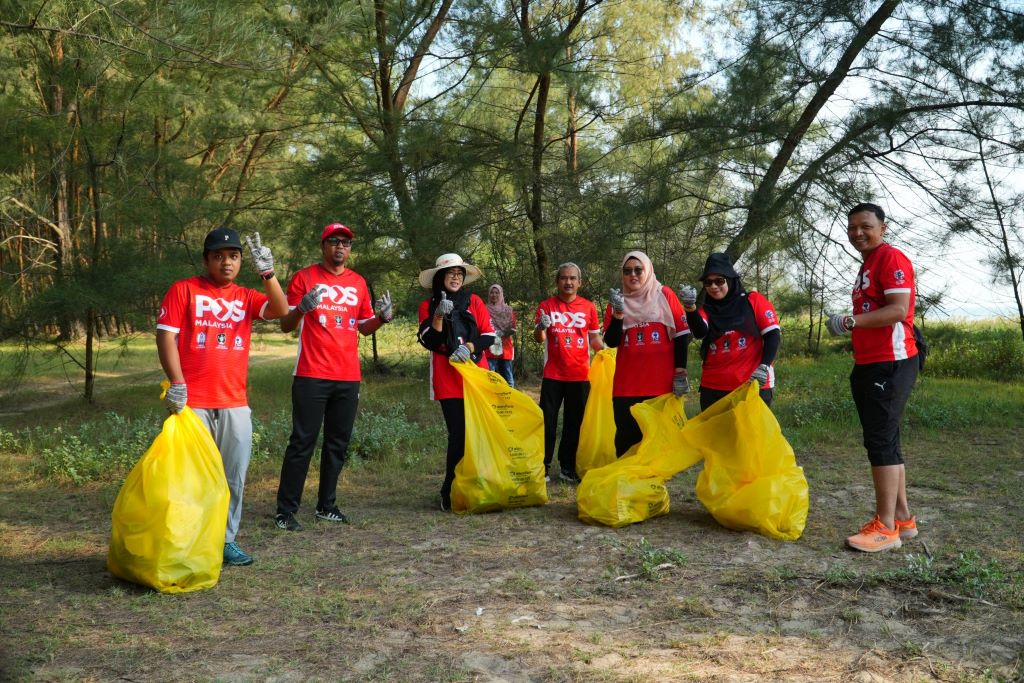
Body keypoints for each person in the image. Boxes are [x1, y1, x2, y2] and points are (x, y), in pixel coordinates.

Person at [157, 226, 288, 567]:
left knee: (233, 476)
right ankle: (187, 540)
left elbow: (281, 309)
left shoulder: (245, 296)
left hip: (234, 403)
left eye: (233, 256)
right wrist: (177, 383)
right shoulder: (184, 289)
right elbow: (165, 336)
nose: (226, 262)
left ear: (241, 261)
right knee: (190, 477)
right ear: (206, 260)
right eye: (218, 256)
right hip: (192, 403)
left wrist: (268, 273)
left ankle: (226, 540)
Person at [273, 223, 394, 532]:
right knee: (302, 442)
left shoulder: (358, 282)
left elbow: (364, 327)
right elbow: (286, 324)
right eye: (334, 241)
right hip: (311, 374)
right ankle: (285, 511)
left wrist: (382, 318)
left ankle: (326, 506)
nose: (341, 247)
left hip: (348, 376)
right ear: (323, 245)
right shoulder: (304, 277)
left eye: (346, 243)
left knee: (337, 443)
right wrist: (301, 308)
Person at [827, 202, 920, 553]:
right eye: (852, 227)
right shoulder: (869, 263)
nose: (858, 233)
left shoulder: (891, 258)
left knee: (881, 441)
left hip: (890, 362)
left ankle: (885, 528)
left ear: (883, 227)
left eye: (865, 226)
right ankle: (903, 520)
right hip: (871, 362)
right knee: (885, 439)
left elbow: (898, 309)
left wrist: (850, 321)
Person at [417, 253, 496, 511]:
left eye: (459, 273)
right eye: (450, 272)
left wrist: (470, 347)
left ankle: (479, 485)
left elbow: (489, 335)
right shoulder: (427, 306)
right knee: (459, 434)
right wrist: (438, 316)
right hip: (447, 377)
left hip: (476, 376)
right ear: (440, 277)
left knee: (480, 433)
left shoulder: (474, 301)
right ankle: (450, 491)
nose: (456, 277)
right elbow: (430, 340)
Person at [602, 251, 691, 456]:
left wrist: (680, 372)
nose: (632, 275)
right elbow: (611, 341)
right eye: (627, 271)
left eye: (638, 270)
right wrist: (618, 315)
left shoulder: (665, 295)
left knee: (659, 446)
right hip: (627, 387)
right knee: (626, 443)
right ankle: (627, 477)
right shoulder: (617, 301)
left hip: (661, 385)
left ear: (648, 270)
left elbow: (681, 335)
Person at [679, 253, 781, 411]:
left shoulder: (753, 301)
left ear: (731, 279)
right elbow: (700, 332)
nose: (713, 286)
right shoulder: (707, 309)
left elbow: (772, 335)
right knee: (714, 429)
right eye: (708, 282)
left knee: (748, 429)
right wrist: (690, 308)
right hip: (713, 388)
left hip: (752, 384)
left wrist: (764, 366)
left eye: (719, 281)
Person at [534, 263, 604, 483]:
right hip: (553, 374)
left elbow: (594, 338)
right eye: (564, 278)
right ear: (557, 281)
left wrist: (606, 353)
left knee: (575, 423)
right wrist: (540, 327)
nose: (568, 282)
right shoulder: (546, 306)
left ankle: (567, 467)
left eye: (573, 278)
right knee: (547, 422)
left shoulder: (589, 307)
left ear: (579, 282)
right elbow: (539, 339)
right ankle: (542, 467)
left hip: (580, 375)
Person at [484, 284, 517, 387]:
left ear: (501, 294)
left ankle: (510, 395)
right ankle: (491, 395)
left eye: (497, 292)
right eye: (492, 292)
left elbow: (514, 327)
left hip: (505, 346)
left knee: (507, 376)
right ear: (489, 294)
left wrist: (504, 332)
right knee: (490, 376)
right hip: (489, 345)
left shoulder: (508, 310)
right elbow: (481, 325)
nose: (494, 295)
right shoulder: (484, 309)